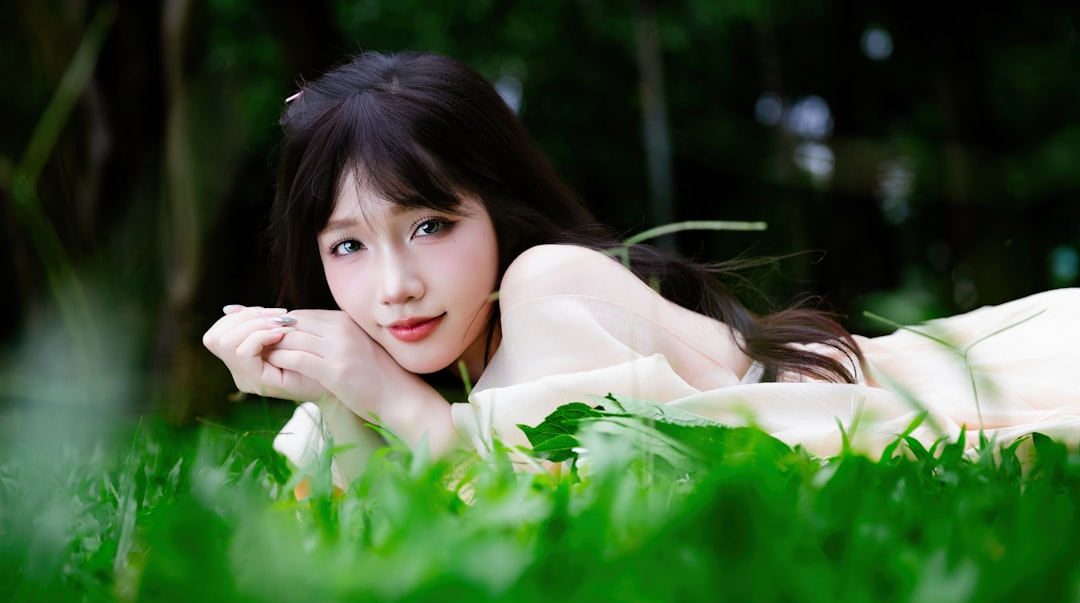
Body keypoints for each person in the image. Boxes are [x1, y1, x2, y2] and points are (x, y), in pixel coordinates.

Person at [203, 51, 1080, 488]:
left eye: (430, 224)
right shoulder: (393, 339)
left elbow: (551, 498)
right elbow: (356, 519)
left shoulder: (548, 286)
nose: (393, 286)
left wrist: (388, 400)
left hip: (942, 380)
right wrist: (331, 391)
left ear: (499, 208)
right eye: (347, 245)